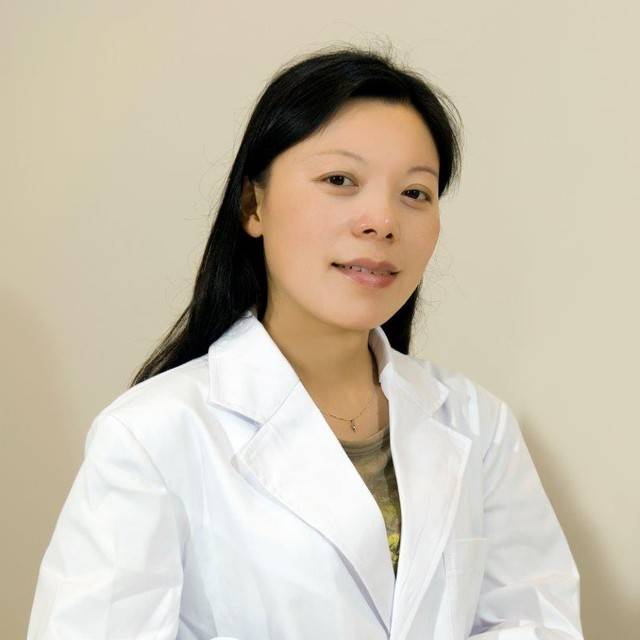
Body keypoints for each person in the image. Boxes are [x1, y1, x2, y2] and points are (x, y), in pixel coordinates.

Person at [26, 44, 584, 640]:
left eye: (415, 193)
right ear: (253, 204)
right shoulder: (151, 436)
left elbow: (537, 622)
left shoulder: (478, 425)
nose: (382, 221)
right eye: (339, 180)